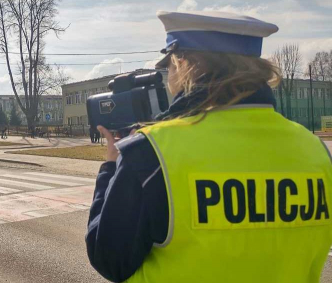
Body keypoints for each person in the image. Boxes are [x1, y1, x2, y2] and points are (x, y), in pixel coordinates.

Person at [86, 10, 332, 283]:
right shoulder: (316, 152)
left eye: (169, 66)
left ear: (185, 65)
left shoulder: (152, 153)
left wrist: (110, 166)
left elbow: (108, 258)